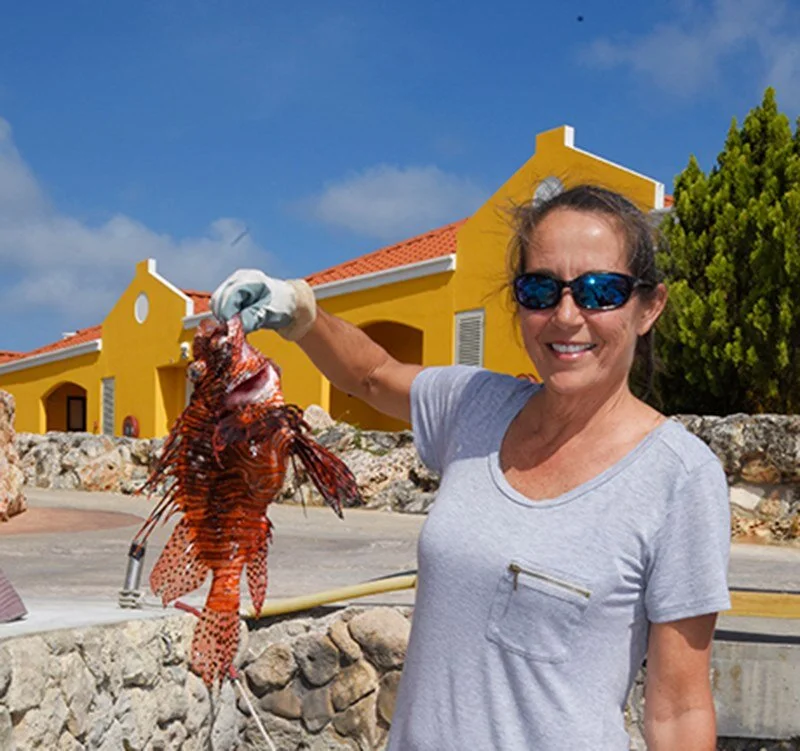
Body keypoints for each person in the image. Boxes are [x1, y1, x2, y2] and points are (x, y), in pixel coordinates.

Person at [211, 184, 731, 750]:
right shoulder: (475, 406)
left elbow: (678, 710)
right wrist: (301, 312)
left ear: (648, 307)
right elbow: (372, 374)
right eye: (540, 289)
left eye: (600, 291)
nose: (566, 315)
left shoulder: (679, 477)